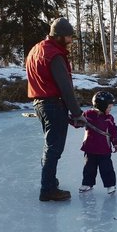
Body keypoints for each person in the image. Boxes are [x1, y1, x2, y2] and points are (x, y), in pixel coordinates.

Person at [26, 17, 87, 202]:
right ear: (59, 36)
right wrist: (77, 113)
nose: (70, 40)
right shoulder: (54, 55)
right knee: (54, 149)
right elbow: (65, 87)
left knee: (50, 146)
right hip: (52, 104)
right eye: (69, 37)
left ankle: (50, 181)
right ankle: (48, 189)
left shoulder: (37, 49)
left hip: (40, 104)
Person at [77, 91, 117, 194]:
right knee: (88, 168)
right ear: (101, 106)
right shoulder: (88, 114)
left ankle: (110, 185)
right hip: (90, 149)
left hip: (104, 150)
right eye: (109, 107)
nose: (110, 110)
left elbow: (114, 131)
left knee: (107, 169)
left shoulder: (109, 118)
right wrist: (72, 119)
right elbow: (78, 123)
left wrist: (116, 142)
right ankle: (87, 184)